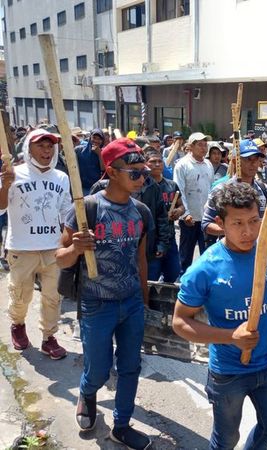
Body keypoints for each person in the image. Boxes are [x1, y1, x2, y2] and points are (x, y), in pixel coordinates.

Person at [172, 182, 267, 450]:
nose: (248, 232)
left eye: (254, 221)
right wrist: (231, 336)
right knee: (226, 440)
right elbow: (180, 322)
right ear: (220, 223)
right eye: (238, 223)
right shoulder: (205, 268)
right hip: (228, 373)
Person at [56, 138, 153, 449]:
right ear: (111, 171)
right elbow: (59, 257)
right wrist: (75, 247)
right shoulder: (87, 209)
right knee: (98, 368)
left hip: (132, 304)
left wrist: (145, 299)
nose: (141, 178)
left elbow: (140, 260)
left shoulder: (141, 212)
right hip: (97, 304)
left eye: (144, 173)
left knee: (130, 366)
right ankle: (88, 392)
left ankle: (121, 425)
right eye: (134, 173)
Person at [0, 129, 72, 359]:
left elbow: (66, 212)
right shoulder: (13, 174)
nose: (47, 150)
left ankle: (49, 337)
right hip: (22, 247)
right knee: (20, 295)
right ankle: (18, 325)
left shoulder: (61, 178)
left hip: (52, 248)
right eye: (41, 145)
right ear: (28, 148)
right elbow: (0, 208)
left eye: (50, 146)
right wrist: (5, 186)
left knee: (53, 296)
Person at [202, 139, 267, 240]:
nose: (253, 163)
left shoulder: (263, 189)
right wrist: (233, 230)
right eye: (248, 159)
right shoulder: (221, 190)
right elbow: (206, 224)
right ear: (235, 161)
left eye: (256, 159)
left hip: (257, 250)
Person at [173, 132, 214, 274]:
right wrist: (185, 214)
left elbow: (211, 190)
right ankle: (183, 281)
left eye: (205, 145)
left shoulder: (208, 164)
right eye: (200, 145)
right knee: (185, 255)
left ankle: (205, 283)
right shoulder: (182, 165)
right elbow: (179, 191)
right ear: (191, 146)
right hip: (189, 219)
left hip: (206, 219)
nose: (204, 148)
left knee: (207, 255)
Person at [145, 150, 185, 282]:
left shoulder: (171, 185)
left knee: (173, 272)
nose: (157, 164)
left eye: (159, 161)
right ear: (145, 164)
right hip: (151, 239)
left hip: (170, 236)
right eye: (152, 162)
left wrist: (178, 212)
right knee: (152, 275)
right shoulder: (143, 187)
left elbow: (182, 206)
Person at [75, 128, 106, 196]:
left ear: (102, 140)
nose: (96, 141)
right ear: (90, 138)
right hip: (81, 188)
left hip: (97, 189)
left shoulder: (104, 152)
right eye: (94, 138)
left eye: (99, 139)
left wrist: (99, 154)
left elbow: (103, 169)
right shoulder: (79, 150)